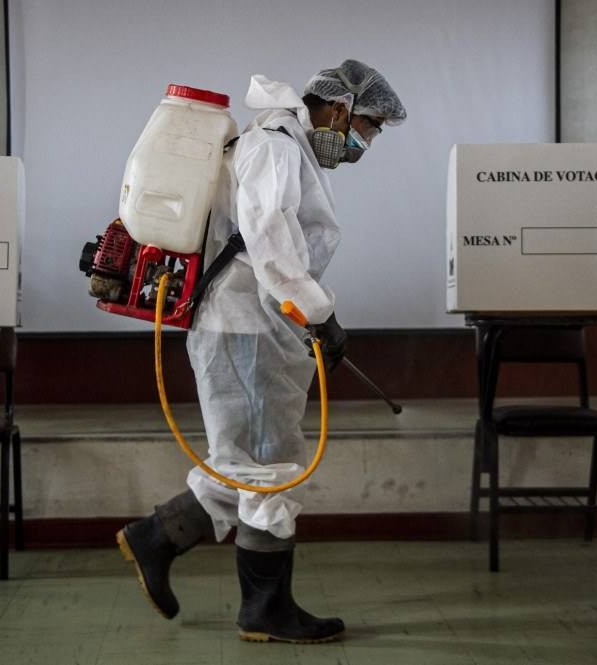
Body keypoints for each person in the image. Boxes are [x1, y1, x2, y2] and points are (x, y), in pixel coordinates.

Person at [116, 59, 406, 644]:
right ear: (338, 108)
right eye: (368, 127)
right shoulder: (275, 145)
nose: (364, 143)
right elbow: (270, 245)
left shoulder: (283, 142)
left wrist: (313, 317)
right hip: (246, 325)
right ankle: (264, 610)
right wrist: (321, 316)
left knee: (246, 459)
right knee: (267, 469)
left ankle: (158, 537)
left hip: (258, 322)